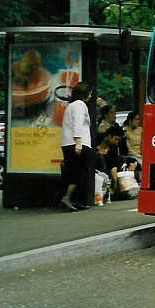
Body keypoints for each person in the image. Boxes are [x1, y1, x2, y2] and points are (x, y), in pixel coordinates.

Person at [59, 82, 96, 212]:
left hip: (68, 143)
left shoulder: (71, 106)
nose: (91, 95)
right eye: (90, 93)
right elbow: (78, 124)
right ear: (85, 93)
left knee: (76, 172)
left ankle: (75, 200)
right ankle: (67, 198)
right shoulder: (80, 105)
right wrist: (79, 142)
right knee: (79, 173)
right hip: (78, 143)